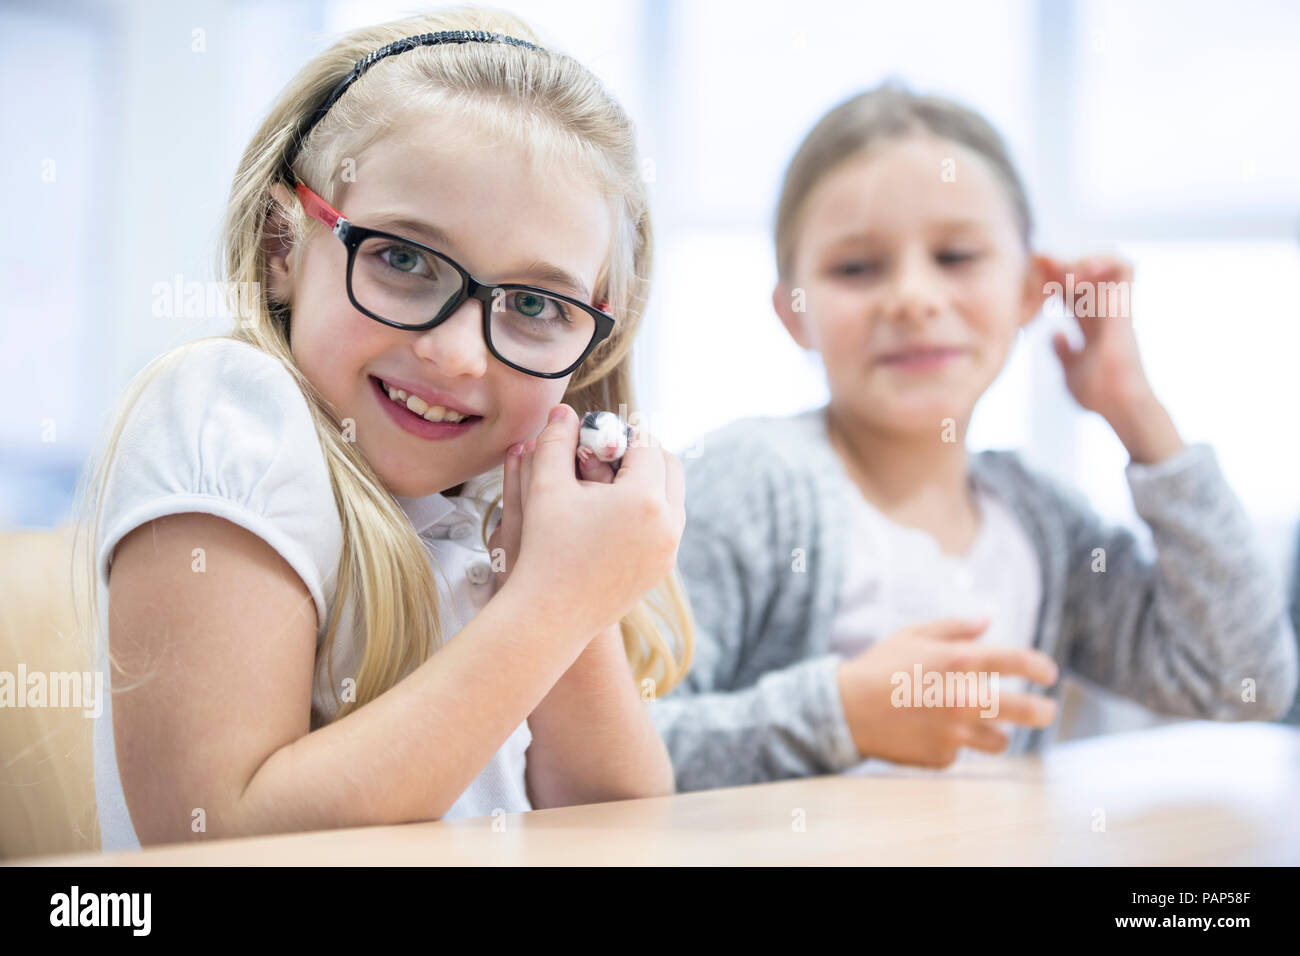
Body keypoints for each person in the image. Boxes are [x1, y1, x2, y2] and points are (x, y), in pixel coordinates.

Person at [76, 7, 692, 849]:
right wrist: (555, 602)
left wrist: (563, 577)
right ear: (280, 244)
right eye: (403, 258)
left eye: (535, 305)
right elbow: (221, 836)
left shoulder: (497, 488)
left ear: (593, 339)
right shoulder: (230, 409)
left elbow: (619, 825)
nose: (456, 355)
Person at [649, 84, 1297, 789]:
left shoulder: (1043, 524)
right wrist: (839, 716)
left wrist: (1136, 411)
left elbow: (1244, 683)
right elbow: (616, 753)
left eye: (956, 255)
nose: (913, 297)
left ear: (1031, 290)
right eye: (856, 268)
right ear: (793, 312)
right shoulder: (749, 483)